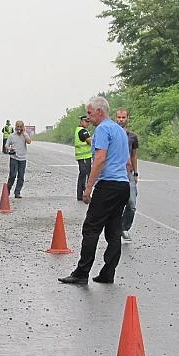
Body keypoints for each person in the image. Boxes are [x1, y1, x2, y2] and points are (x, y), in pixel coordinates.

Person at [59, 96, 130, 285]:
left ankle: (81, 273)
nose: (88, 117)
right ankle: (108, 273)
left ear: (99, 111)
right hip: (122, 185)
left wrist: (89, 187)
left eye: (90, 113)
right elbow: (127, 162)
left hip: (108, 184)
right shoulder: (120, 130)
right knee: (114, 231)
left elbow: (99, 159)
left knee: (91, 228)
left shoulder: (103, 129)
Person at [115, 107, 139, 242]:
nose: (121, 120)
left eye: (123, 117)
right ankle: (113, 229)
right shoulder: (111, 134)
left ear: (127, 118)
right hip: (114, 173)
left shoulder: (132, 137)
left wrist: (135, 173)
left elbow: (134, 155)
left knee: (132, 203)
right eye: (119, 117)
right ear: (115, 118)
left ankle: (124, 228)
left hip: (128, 173)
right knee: (115, 203)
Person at [5, 120, 32, 198]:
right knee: (12, 175)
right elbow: (6, 145)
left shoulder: (25, 135)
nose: (19, 128)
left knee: (21, 177)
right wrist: (10, 148)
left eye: (21, 127)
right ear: (15, 127)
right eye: (18, 127)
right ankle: (7, 191)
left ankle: (17, 192)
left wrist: (24, 133)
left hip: (22, 159)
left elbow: (29, 141)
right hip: (14, 158)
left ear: (23, 127)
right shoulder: (12, 136)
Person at [74, 115, 93, 201]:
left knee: (82, 175)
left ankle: (80, 195)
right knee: (85, 176)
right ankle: (86, 194)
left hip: (81, 157)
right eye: (86, 121)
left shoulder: (78, 130)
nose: (87, 123)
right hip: (85, 157)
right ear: (81, 122)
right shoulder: (83, 131)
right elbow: (90, 142)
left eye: (88, 122)